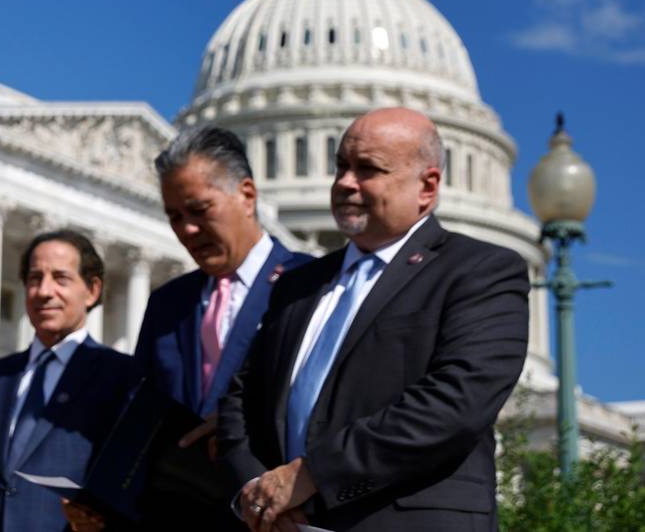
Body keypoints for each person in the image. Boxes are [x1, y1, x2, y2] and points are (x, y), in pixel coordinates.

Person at [217, 107, 530, 532]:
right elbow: (241, 397)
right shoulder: (298, 283)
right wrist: (257, 491)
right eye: (341, 166)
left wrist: (314, 475)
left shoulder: (479, 271)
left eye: (368, 170)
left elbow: (455, 403)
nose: (346, 182)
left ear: (427, 186)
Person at [0, 230, 139, 532]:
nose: (44, 290)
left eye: (60, 278)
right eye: (35, 278)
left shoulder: (123, 377)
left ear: (91, 290)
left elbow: (133, 489)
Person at [136, 126, 309, 419]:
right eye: (174, 217)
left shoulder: (309, 283)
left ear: (247, 196)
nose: (187, 229)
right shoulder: (166, 304)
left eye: (200, 209)